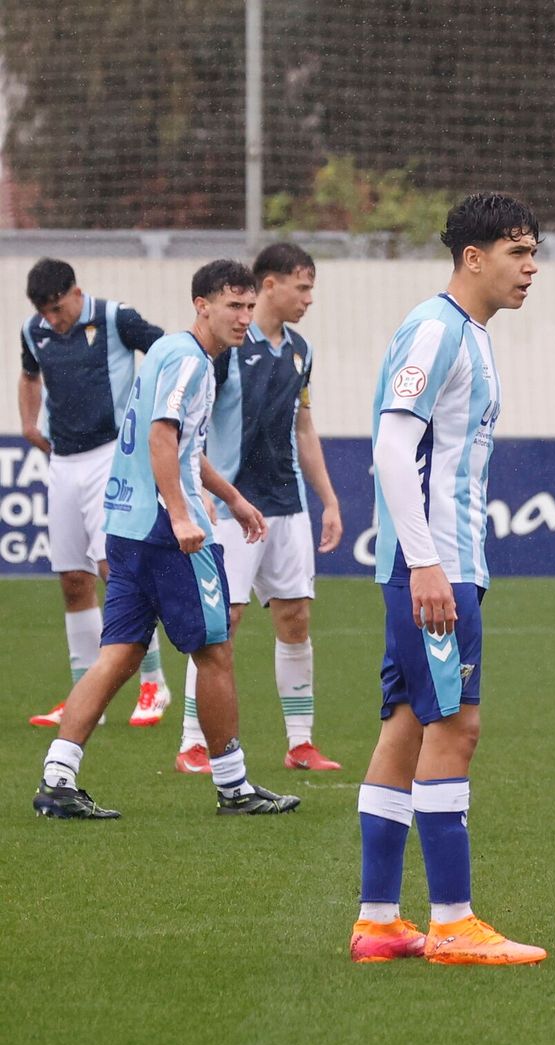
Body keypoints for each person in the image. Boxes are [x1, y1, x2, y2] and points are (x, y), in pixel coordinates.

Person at [348, 193, 546, 966]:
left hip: (444, 558)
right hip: (435, 563)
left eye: (534, 253)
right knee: (455, 725)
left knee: (405, 723)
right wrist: (427, 560)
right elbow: (394, 447)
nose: (531, 268)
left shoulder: (469, 332)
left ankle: (378, 919)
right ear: (473, 257)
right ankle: (454, 920)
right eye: (518, 252)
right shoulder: (436, 329)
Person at [32, 259, 296, 819]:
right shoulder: (189, 360)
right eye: (233, 306)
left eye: (250, 307)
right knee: (215, 650)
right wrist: (181, 517)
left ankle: (57, 776)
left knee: (119, 654)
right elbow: (161, 438)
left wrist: (234, 497)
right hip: (161, 533)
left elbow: (184, 447)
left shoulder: (177, 355)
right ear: (202, 305)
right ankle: (234, 786)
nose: (244, 317)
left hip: (125, 527)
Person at [175, 243, 343, 775]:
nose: (309, 299)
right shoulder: (223, 351)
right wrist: (200, 493)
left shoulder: (301, 350)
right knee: (221, 620)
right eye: (302, 286)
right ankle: (192, 742)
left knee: (296, 617)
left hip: (286, 505)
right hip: (230, 507)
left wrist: (330, 500)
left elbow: (303, 426)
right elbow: (191, 430)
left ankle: (300, 743)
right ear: (269, 285)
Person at [19, 258, 173, 728]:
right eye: (44, 311)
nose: (52, 318)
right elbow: (29, 377)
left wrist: (151, 415)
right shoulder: (33, 331)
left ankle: (153, 684)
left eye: (57, 308)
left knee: (115, 569)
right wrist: (28, 422)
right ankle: (85, 694)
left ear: (75, 292)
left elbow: (166, 353)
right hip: (63, 462)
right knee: (72, 579)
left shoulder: (114, 318)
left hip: (112, 457)